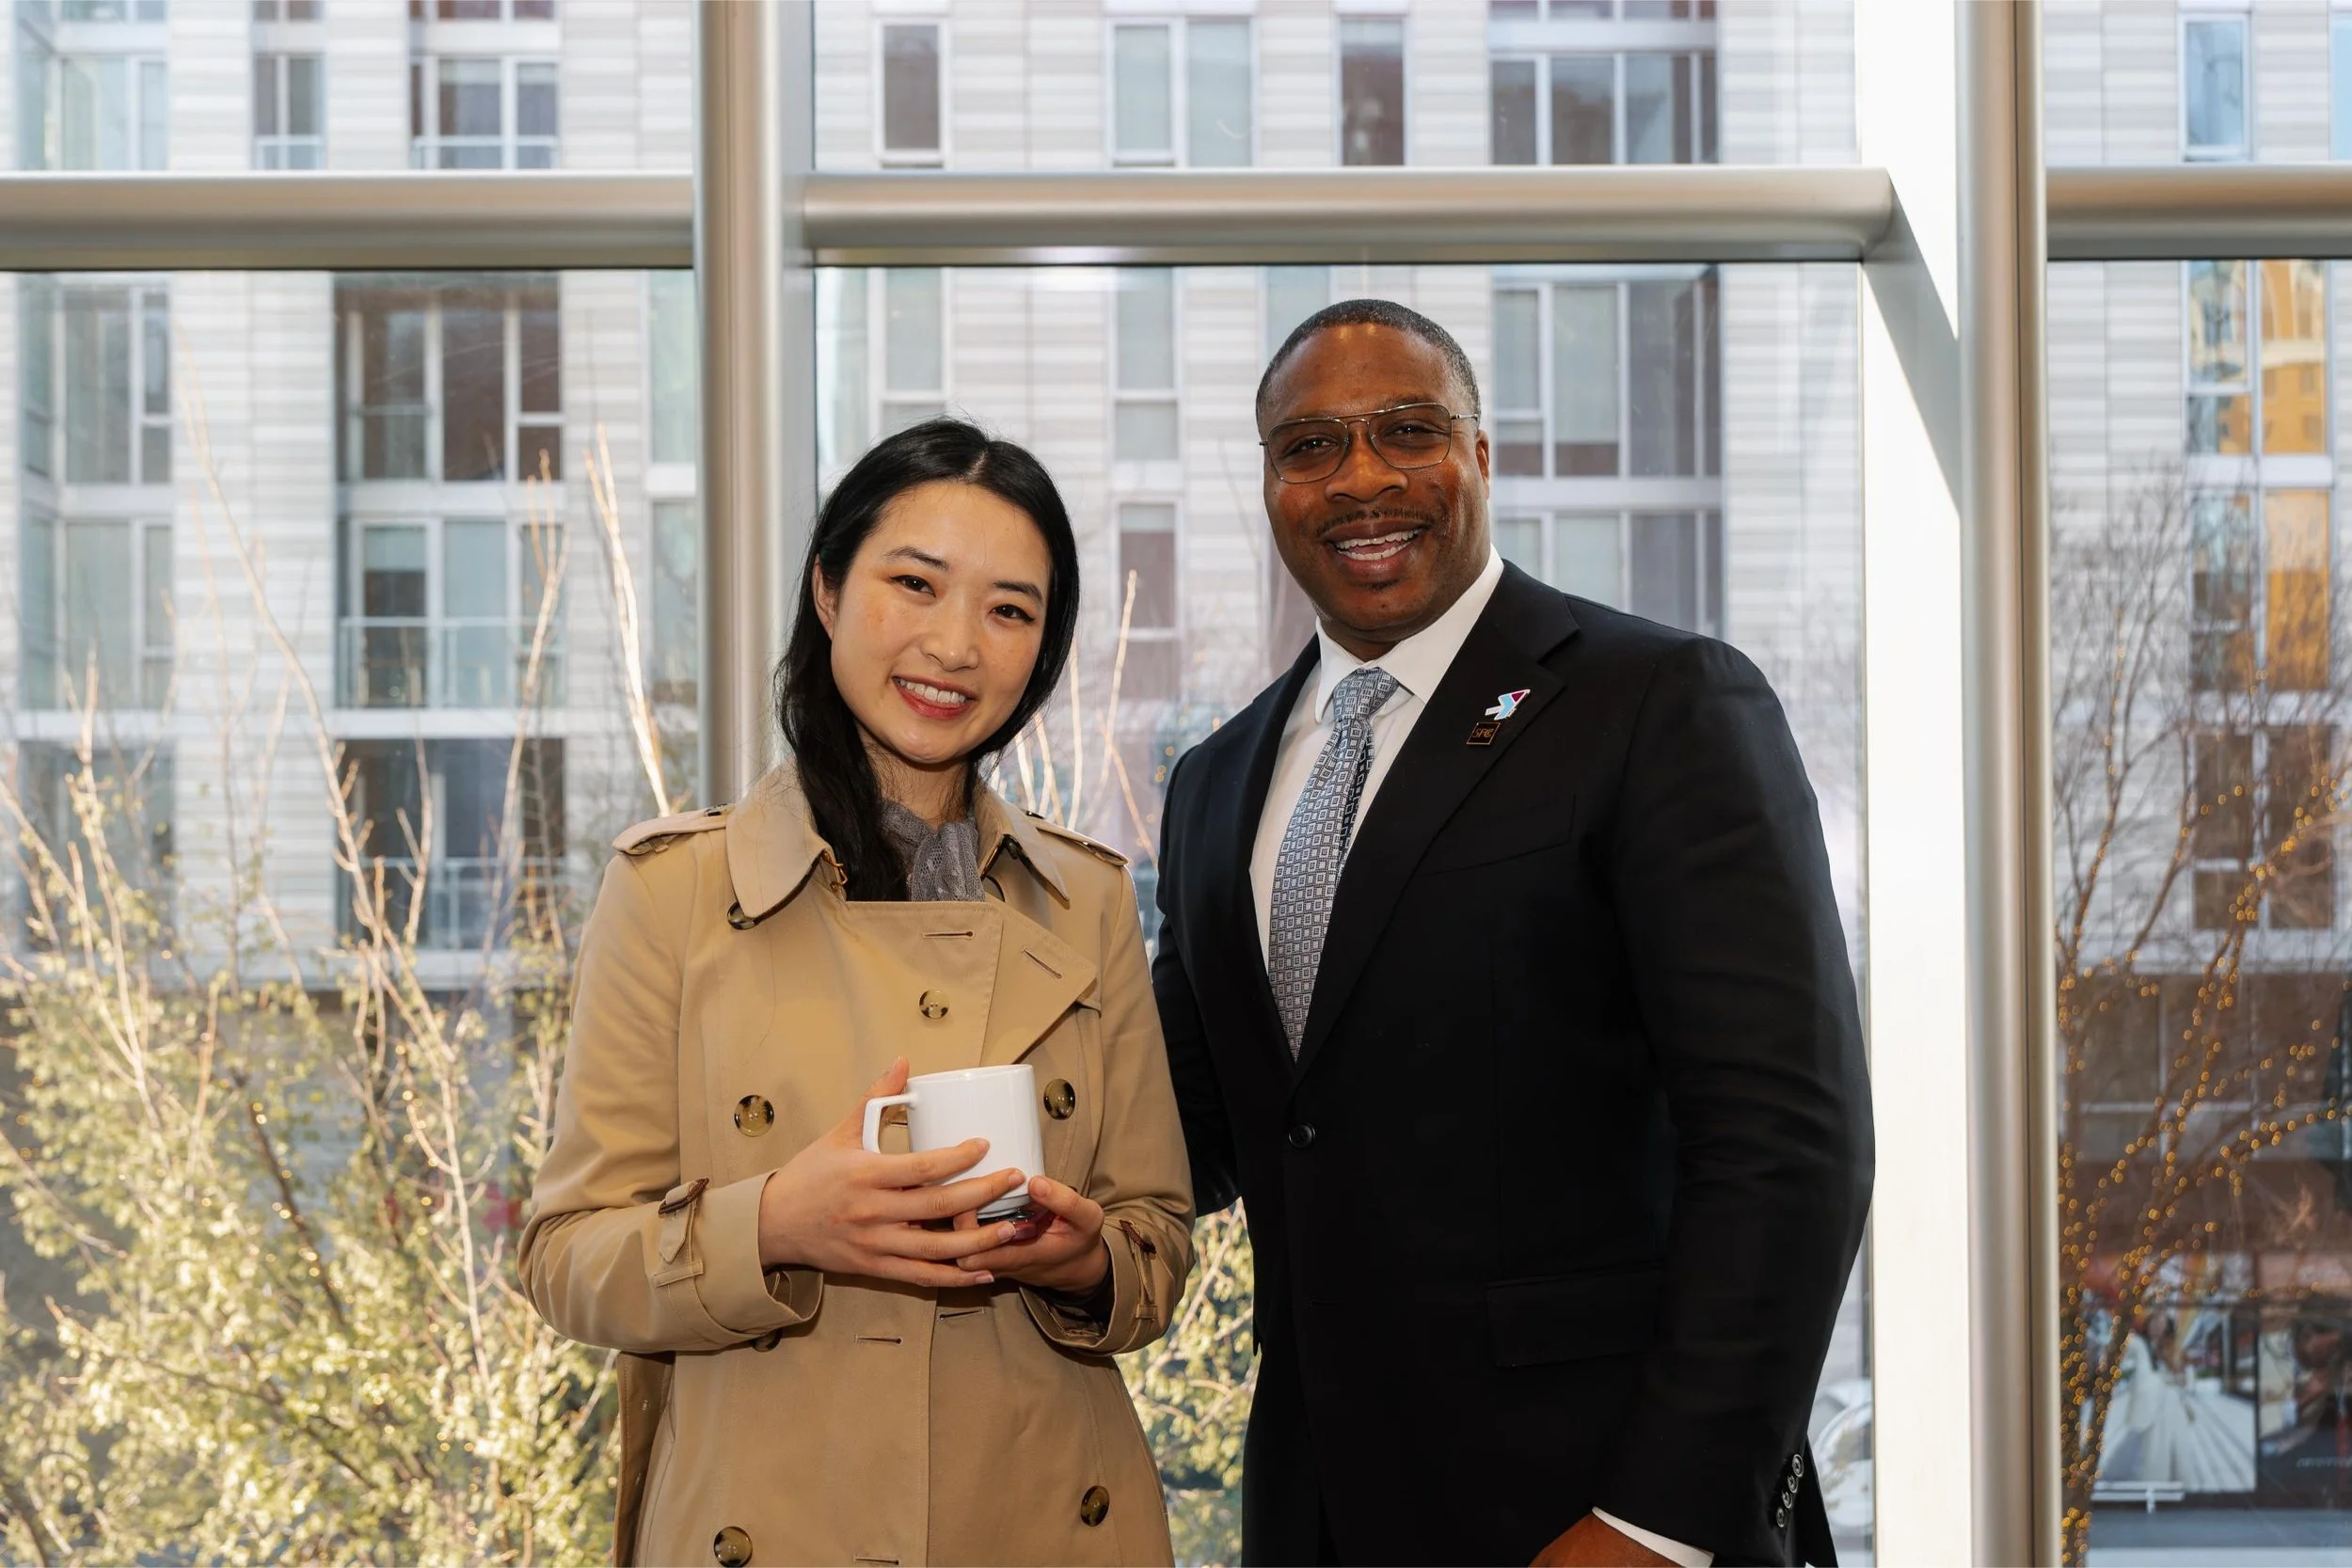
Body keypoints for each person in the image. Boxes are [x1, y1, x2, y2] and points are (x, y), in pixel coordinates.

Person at [1152, 300, 1874, 1568]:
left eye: (1407, 429)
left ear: (1480, 454)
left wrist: (1658, 1519)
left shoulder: (1659, 703)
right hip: (1316, 1514)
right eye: (1310, 445)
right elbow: (1206, 1118)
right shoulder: (1216, 782)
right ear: (1269, 485)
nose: (1360, 477)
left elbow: (1786, 1143)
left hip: (1596, 1507)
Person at [521, 418, 1195, 1568]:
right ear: (828, 590)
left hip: (1042, 1513)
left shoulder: (1084, 898)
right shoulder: (675, 889)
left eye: (1009, 610)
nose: (954, 644)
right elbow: (566, 1255)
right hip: (773, 1517)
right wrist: (776, 1223)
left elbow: (1157, 1242)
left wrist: (1083, 1260)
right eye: (914, 583)